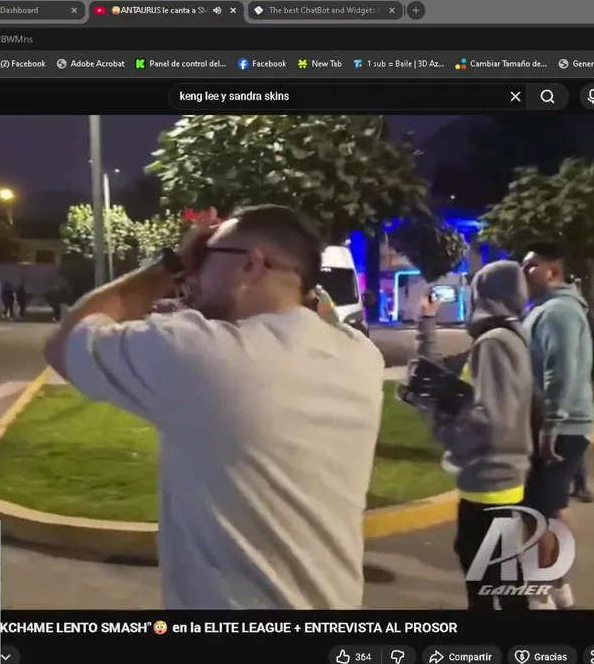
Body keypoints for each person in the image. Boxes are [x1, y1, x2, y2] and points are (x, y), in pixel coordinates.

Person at [43, 205, 385, 609]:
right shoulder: (360, 355)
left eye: (203, 257)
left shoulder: (201, 354)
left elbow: (64, 343)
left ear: (251, 264)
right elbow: (315, 308)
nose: (192, 274)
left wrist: (169, 264)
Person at [411, 261, 535, 611]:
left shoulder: (494, 343)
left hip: (489, 482)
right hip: (496, 482)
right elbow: (434, 372)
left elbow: (491, 421)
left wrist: (444, 425)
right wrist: (427, 322)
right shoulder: (506, 337)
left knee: (488, 583)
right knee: (500, 580)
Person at [520, 244, 594, 608]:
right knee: (548, 508)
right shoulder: (550, 308)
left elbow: (561, 372)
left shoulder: (557, 312)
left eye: (530, 266)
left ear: (551, 271)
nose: (524, 272)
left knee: (537, 512)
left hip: (560, 429)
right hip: (561, 425)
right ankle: (558, 585)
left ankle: (539, 595)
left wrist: (550, 426)